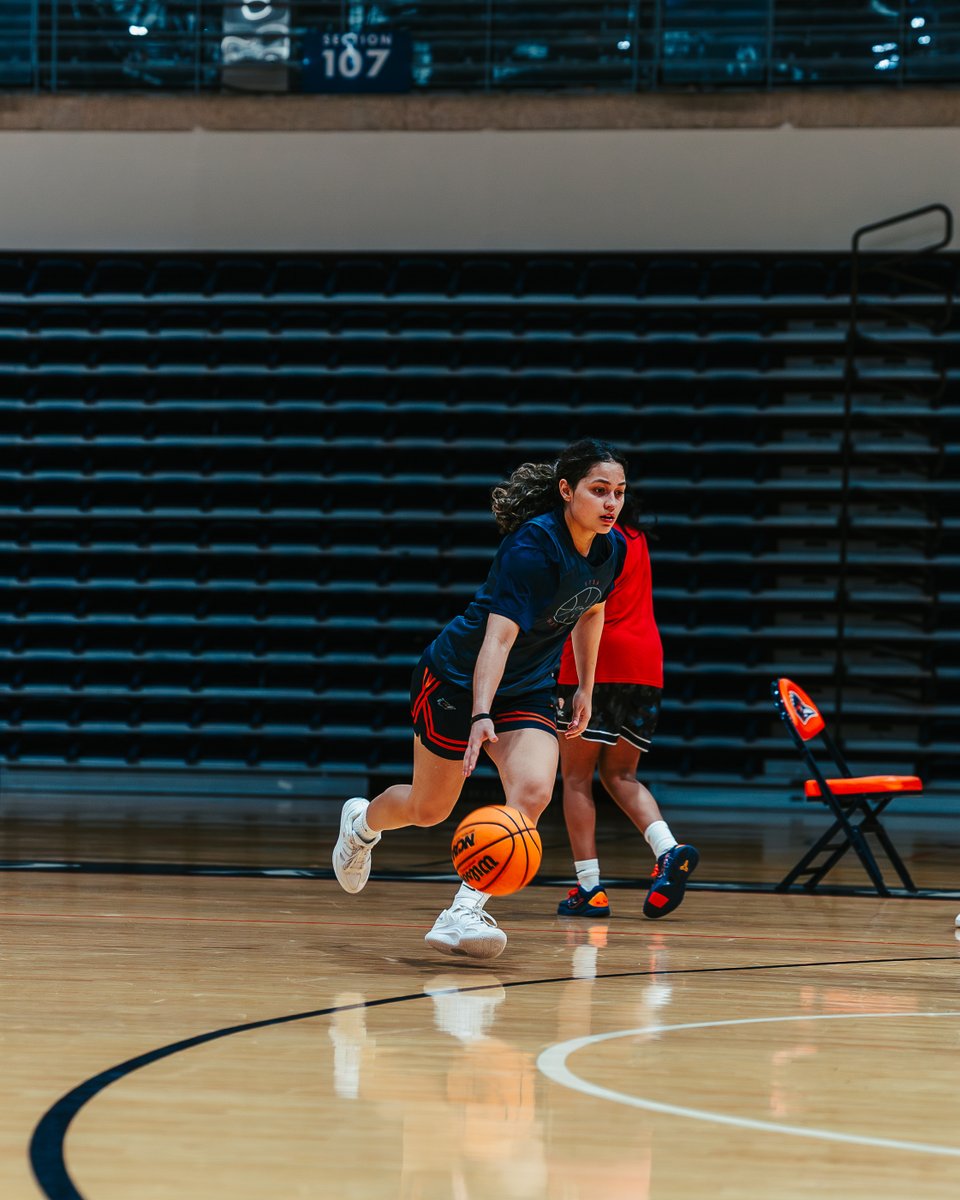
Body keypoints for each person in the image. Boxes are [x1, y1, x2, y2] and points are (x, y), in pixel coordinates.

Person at [332, 439, 629, 960]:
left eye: (619, 493)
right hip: (455, 680)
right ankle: (361, 825)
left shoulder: (612, 549)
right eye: (599, 490)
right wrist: (481, 712)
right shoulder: (532, 548)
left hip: (528, 686)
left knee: (533, 790)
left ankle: (463, 911)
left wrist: (585, 685)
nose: (611, 503)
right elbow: (498, 638)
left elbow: (591, 610)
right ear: (567, 491)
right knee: (428, 809)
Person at [554, 494, 699, 920]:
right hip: (647, 664)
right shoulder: (636, 537)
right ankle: (667, 850)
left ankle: (590, 889)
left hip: (596, 661)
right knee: (621, 775)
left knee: (575, 779)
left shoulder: (591, 537)